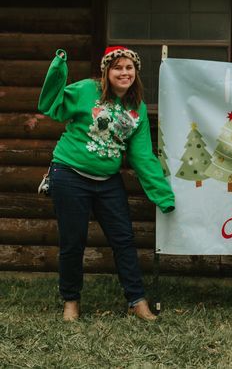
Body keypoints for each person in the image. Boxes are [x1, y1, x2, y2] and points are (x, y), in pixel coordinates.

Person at [38, 46, 175, 322]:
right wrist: (58, 68)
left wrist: (162, 194)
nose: (124, 73)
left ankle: (137, 301)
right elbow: (52, 102)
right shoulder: (87, 90)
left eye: (129, 68)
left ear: (135, 72)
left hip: (107, 181)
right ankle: (71, 302)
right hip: (69, 174)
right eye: (117, 68)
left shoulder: (137, 108)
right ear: (106, 72)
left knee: (123, 239)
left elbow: (142, 156)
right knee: (73, 242)